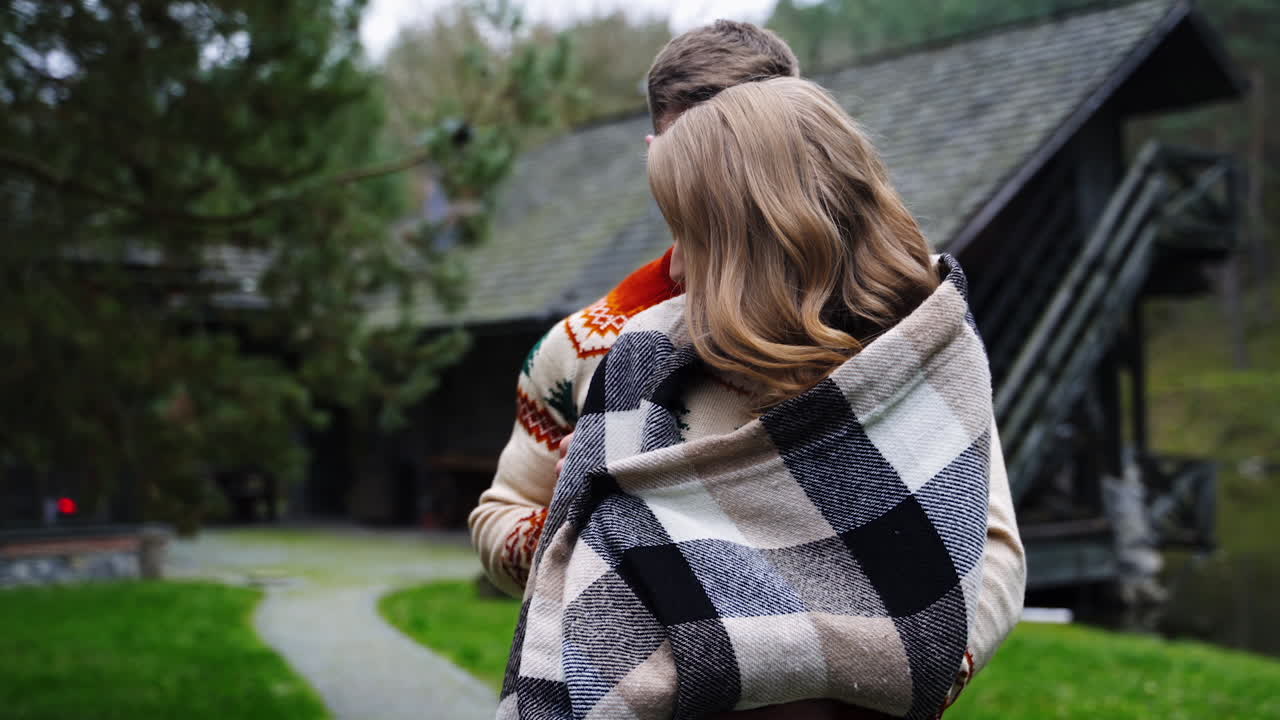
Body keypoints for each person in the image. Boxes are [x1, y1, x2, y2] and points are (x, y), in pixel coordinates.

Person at [473, 23, 1025, 719]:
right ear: (663, 154)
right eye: (708, 144)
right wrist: (596, 551)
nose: (737, 170)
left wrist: (892, 674)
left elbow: (988, 542)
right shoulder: (595, 345)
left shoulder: (897, 334)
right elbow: (503, 514)